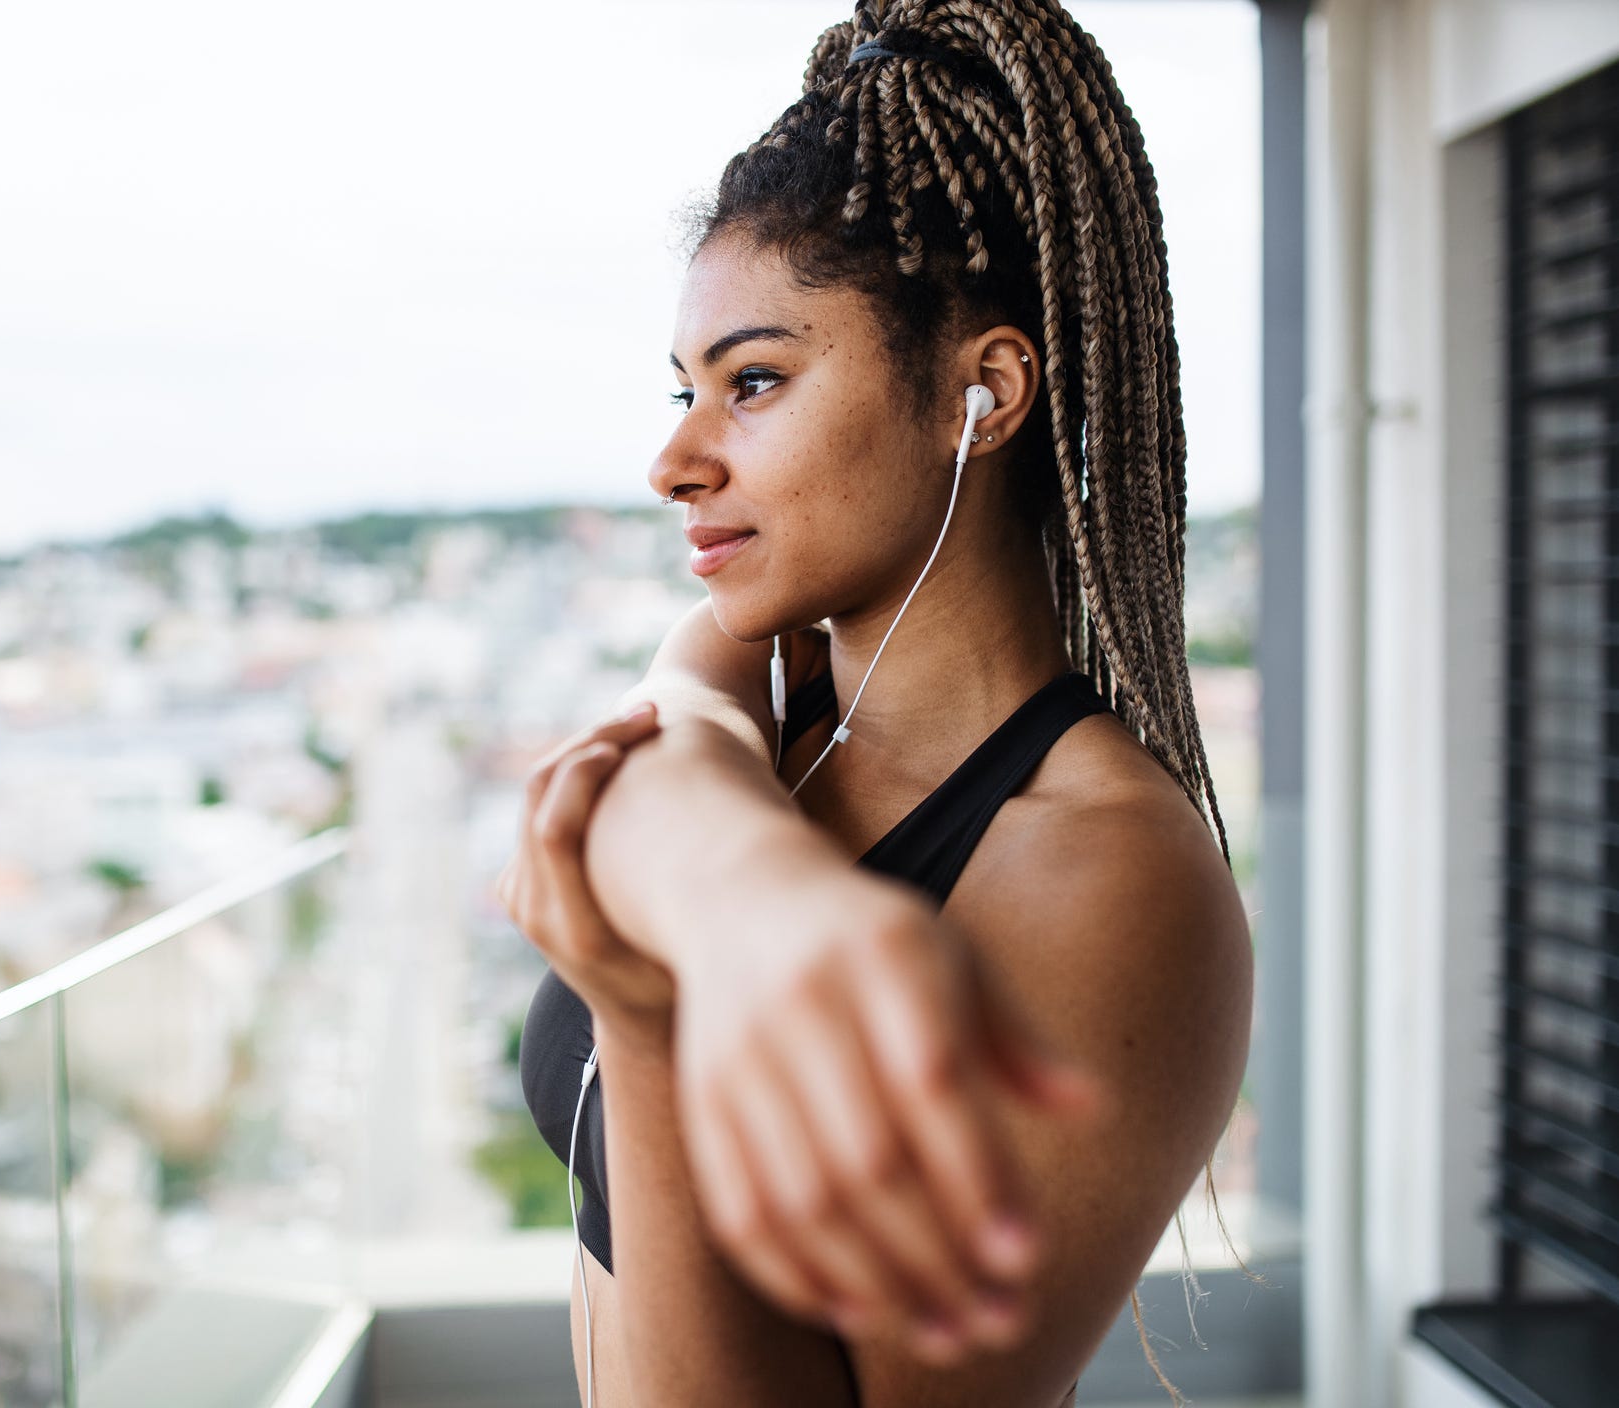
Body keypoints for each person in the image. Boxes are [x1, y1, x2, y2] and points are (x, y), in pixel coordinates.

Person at [496, 3, 1257, 1406]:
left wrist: (653, 1018)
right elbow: (684, 724)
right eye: (682, 390)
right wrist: (743, 884)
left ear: (983, 392)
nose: (673, 458)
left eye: (755, 382)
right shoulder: (763, 695)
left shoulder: (1104, 875)